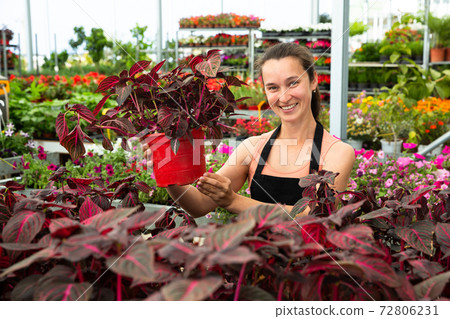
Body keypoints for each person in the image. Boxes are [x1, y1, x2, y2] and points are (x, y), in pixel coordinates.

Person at [144, 42, 355, 218]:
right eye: (273, 87)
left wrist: (233, 200)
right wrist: (167, 170)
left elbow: (317, 216)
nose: (283, 97)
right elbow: (199, 205)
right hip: (256, 265)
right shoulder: (253, 147)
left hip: (308, 266)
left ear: (314, 80)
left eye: (293, 83)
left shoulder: (337, 152)